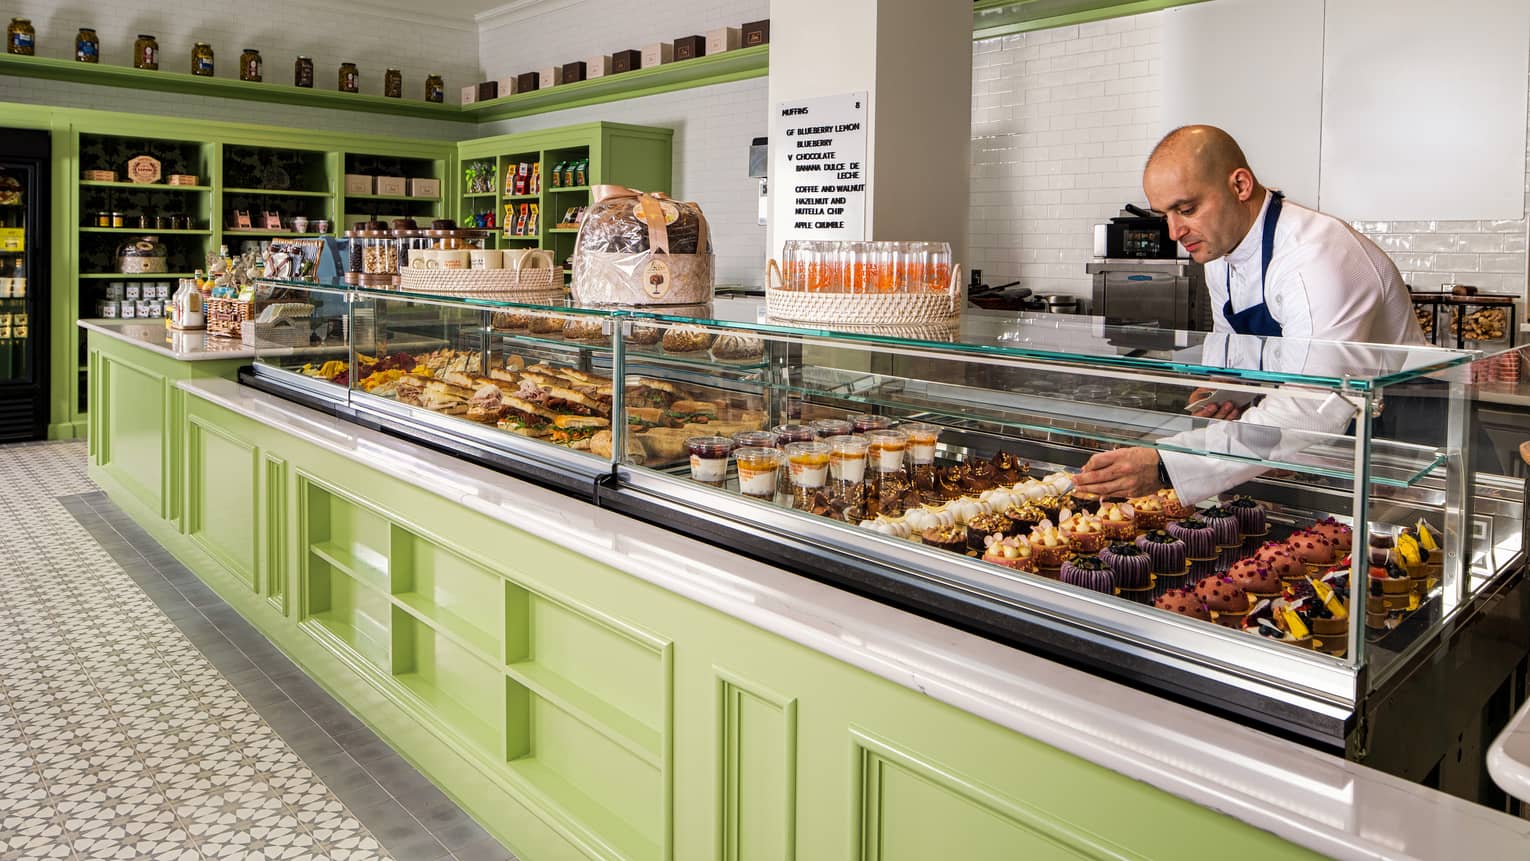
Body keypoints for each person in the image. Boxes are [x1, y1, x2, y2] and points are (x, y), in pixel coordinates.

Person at [1074, 125, 1428, 502]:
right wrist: (1225, 393)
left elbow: (1313, 404)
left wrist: (1167, 465)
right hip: (1317, 435)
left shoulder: (1315, 258)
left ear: (1240, 186)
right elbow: (1235, 347)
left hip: (1403, 432)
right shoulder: (1219, 253)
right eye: (1165, 215)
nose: (1175, 232)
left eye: (1187, 209)